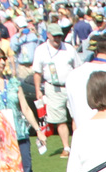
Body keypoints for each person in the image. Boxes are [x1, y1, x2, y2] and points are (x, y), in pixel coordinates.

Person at [33, 26, 80, 156]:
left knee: (76, 116)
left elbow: (78, 67)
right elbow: (37, 73)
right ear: (48, 35)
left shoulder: (69, 48)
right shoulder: (41, 50)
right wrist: (38, 90)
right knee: (60, 119)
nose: (58, 39)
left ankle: (77, 145)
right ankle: (67, 147)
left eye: (60, 36)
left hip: (71, 86)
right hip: (53, 87)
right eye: (55, 36)